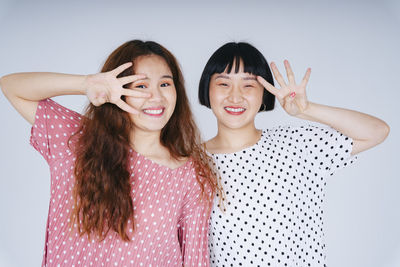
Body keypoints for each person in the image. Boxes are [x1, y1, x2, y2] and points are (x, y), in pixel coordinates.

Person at [0, 40, 220, 267]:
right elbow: (11, 86)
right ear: (118, 92)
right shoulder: (80, 141)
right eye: (141, 86)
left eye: (165, 84)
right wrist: (87, 83)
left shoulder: (191, 175)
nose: (156, 97)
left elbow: (195, 259)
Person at [198, 42, 390, 267]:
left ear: (264, 93)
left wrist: (307, 110)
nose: (235, 96)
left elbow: (376, 132)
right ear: (207, 89)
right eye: (223, 83)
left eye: (248, 85)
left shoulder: (296, 144)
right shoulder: (189, 162)